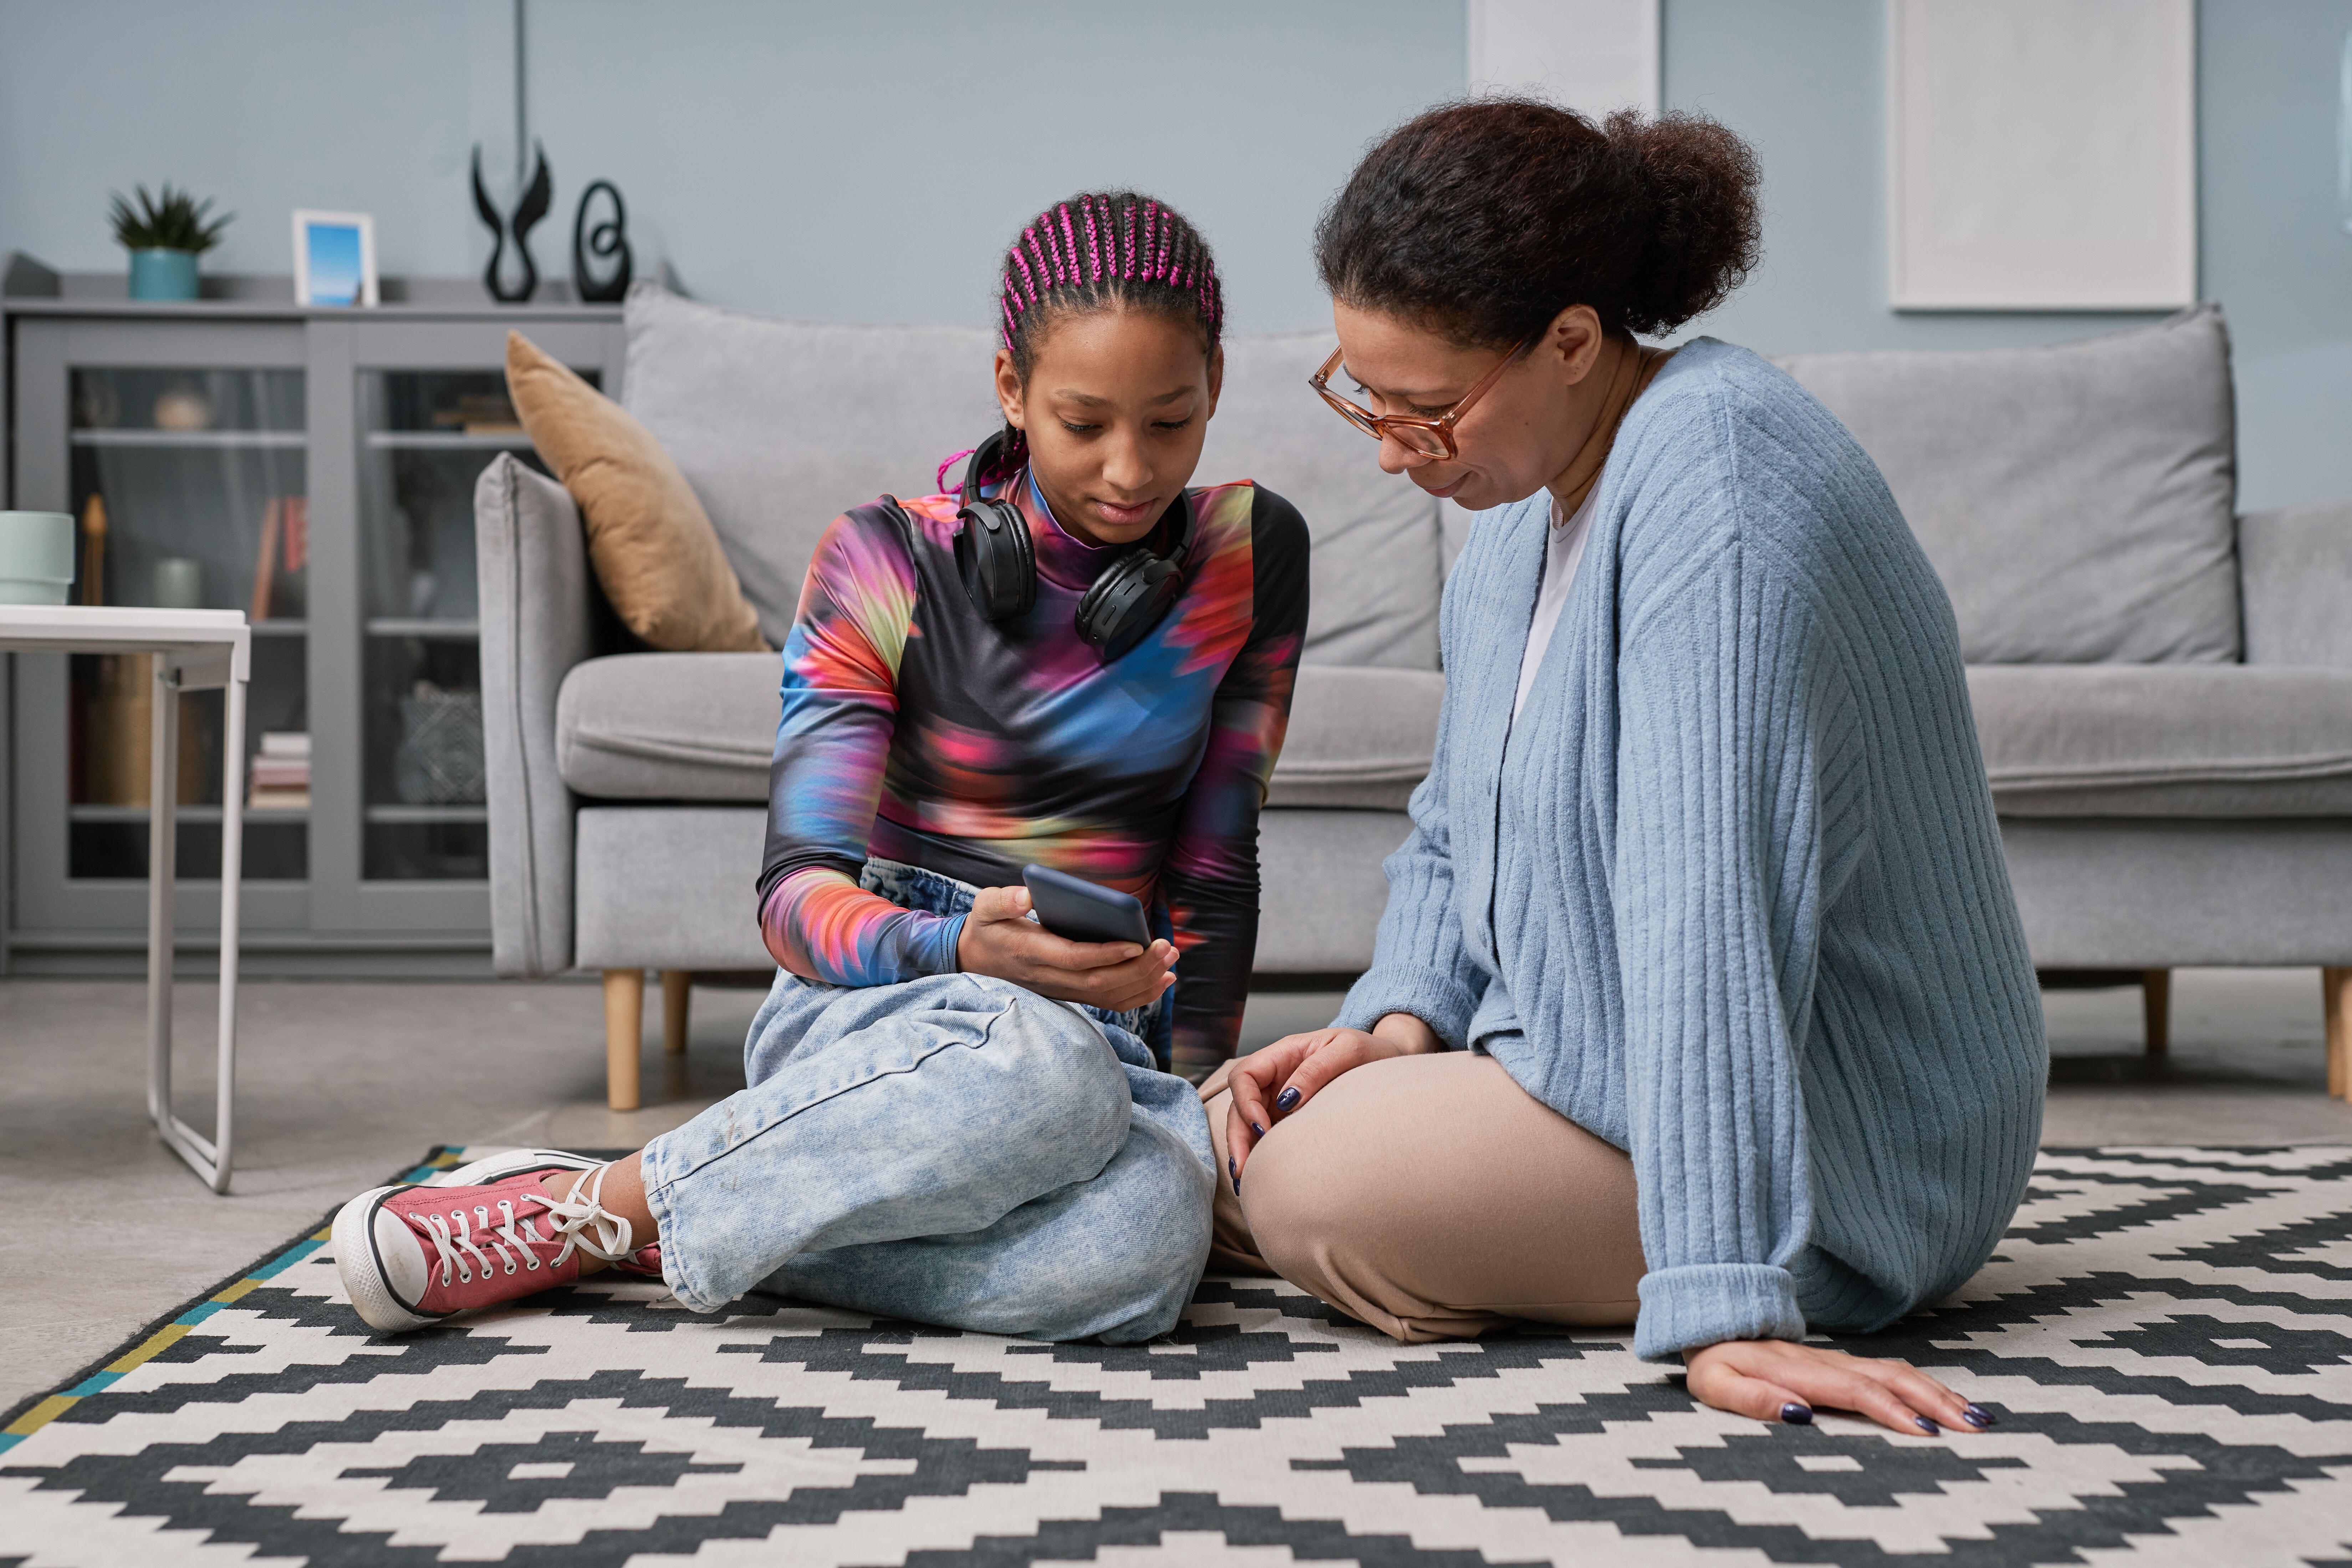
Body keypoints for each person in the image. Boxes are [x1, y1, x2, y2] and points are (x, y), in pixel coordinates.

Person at [332, 191, 1309, 1344]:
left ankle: (694, 1213)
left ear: (1215, 389)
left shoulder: (1251, 553)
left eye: (1172, 421)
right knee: (1045, 1073)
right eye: (1082, 422)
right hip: (883, 999)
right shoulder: (883, 555)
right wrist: (959, 945)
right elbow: (795, 898)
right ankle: (590, 1207)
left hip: (1107, 1031)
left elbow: (1213, 860)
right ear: (1009, 387)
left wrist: (1195, 1091)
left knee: (1144, 1262)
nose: (1128, 470)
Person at [1206, 100, 2046, 1437]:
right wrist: (1399, 1017)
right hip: (1597, 1067)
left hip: (1845, 1150)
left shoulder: (1717, 481)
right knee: (1208, 1137)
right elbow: (1450, 826)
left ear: (1574, 341)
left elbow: (1711, 900)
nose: (1387, 448)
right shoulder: (1518, 520)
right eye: (1363, 396)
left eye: (1424, 408)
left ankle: (1570, 1244)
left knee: (1305, 1188)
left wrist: (1726, 1303)